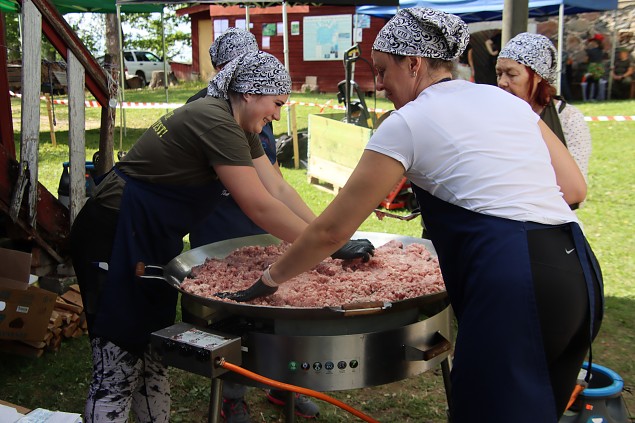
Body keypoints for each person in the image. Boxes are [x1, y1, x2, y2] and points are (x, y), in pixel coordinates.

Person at [218, 8, 604, 423]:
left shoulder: (409, 121)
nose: (380, 84)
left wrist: (270, 279)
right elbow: (575, 189)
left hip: (516, 282)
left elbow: (331, 231)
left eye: (383, 70)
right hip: (577, 270)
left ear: (414, 64)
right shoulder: (500, 99)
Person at [70, 50, 373, 423]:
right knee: (116, 358)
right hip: (112, 232)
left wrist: (331, 236)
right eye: (276, 104)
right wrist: (331, 245)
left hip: (149, 234)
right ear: (249, 93)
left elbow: (277, 190)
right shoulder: (214, 120)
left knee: (150, 352)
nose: (277, 115)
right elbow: (258, 206)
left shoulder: (237, 125)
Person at [186, 28, 320, 422]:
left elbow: (274, 183)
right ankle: (232, 393)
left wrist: (322, 233)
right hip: (218, 225)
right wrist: (321, 242)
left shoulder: (262, 109)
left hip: (261, 224)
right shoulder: (209, 111)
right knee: (230, 314)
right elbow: (257, 198)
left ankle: (282, 384)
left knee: (275, 306)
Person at [496, 32, 592, 209]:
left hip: (552, 223)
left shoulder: (568, 118)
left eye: (511, 74)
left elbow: (574, 192)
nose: (502, 82)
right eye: (499, 73)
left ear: (538, 76)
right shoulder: (494, 115)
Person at [582, 34, 606, 101]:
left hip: (592, 67)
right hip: (599, 67)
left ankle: (587, 97)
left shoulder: (591, 51)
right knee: (596, 83)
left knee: (589, 82)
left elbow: (586, 59)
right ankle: (594, 97)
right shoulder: (601, 50)